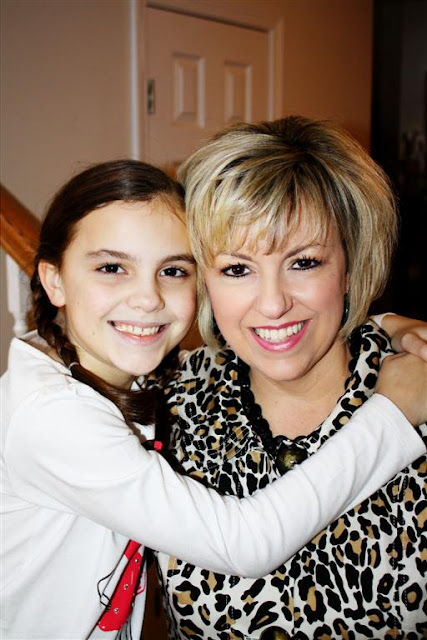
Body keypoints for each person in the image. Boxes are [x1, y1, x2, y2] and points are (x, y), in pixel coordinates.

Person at [3, 160, 424, 640]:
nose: (147, 298)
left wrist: (384, 326)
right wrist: (393, 415)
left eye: (173, 270)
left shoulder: (132, 374)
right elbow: (241, 543)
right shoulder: (53, 416)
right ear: (54, 280)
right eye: (112, 268)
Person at [154, 117, 427, 639]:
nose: (273, 303)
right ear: (204, 280)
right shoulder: (168, 404)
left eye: (304, 262)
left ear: (350, 266)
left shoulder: (416, 387)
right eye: (237, 269)